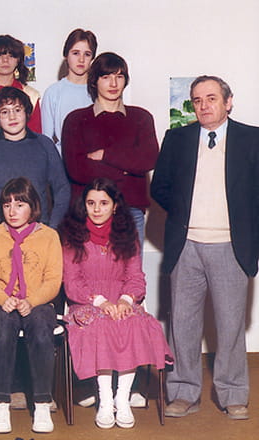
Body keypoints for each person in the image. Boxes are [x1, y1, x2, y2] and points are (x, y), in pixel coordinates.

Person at [151, 75, 259, 421]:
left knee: (230, 327)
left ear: (228, 101)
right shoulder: (177, 139)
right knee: (182, 325)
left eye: (211, 98)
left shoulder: (252, 139)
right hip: (186, 247)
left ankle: (233, 394)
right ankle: (183, 392)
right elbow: (159, 188)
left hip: (231, 247)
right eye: (197, 100)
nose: (203, 105)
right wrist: (186, 213)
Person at [59, 178, 172, 429]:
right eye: (91, 203)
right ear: (83, 206)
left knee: (132, 323)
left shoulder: (128, 235)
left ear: (115, 206)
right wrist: (100, 302)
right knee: (102, 326)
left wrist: (125, 299)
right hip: (86, 303)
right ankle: (105, 399)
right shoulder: (72, 236)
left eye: (103, 203)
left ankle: (122, 398)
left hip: (122, 301)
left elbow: (135, 277)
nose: (97, 209)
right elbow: (72, 282)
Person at [0, 177, 61, 434]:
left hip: (37, 301)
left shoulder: (49, 236)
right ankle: (1, 404)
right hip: (0, 302)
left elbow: (53, 280)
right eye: (7, 205)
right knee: (3, 327)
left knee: (41, 326)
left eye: (19, 204)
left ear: (33, 206)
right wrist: (4, 299)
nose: (12, 211)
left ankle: (42, 403)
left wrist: (31, 301)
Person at [62, 52, 158, 248]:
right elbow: (76, 169)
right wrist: (126, 170)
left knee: (130, 268)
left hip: (130, 210)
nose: (113, 83)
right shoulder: (76, 120)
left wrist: (105, 155)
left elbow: (149, 160)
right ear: (94, 81)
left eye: (119, 76)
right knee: (88, 268)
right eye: (106, 77)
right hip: (88, 211)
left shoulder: (141, 118)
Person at [0, 87, 69, 245]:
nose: (12, 117)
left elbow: (62, 188)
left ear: (27, 112)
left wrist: (53, 226)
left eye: (17, 110)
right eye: (4, 112)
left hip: (37, 231)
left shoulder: (44, 145)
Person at [41, 29, 97, 154]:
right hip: (62, 160)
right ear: (66, 55)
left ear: (92, 58)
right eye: (76, 53)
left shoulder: (99, 91)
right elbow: (46, 140)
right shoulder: (53, 92)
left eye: (87, 54)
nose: (81, 59)